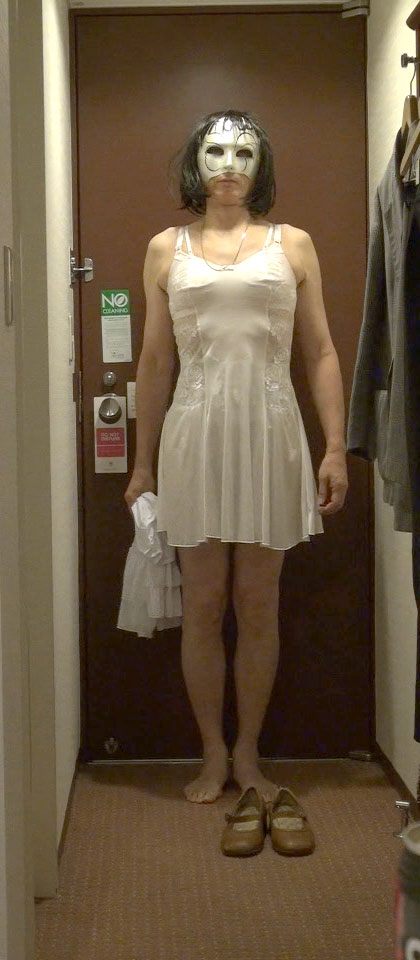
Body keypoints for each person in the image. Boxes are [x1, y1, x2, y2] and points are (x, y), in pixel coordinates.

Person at [124, 109, 348, 805]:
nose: (229, 164)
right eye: (216, 150)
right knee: (203, 604)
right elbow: (155, 361)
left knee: (258, 605)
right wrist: (142, 463)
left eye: (244, 153)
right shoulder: (165, 248)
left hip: (272, 438)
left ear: (260, 167)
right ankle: (212, 754)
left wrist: (335, 447)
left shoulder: (294, 245)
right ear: (196, 162)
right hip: (194, 438)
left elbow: (320, 351)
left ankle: (248, 752)